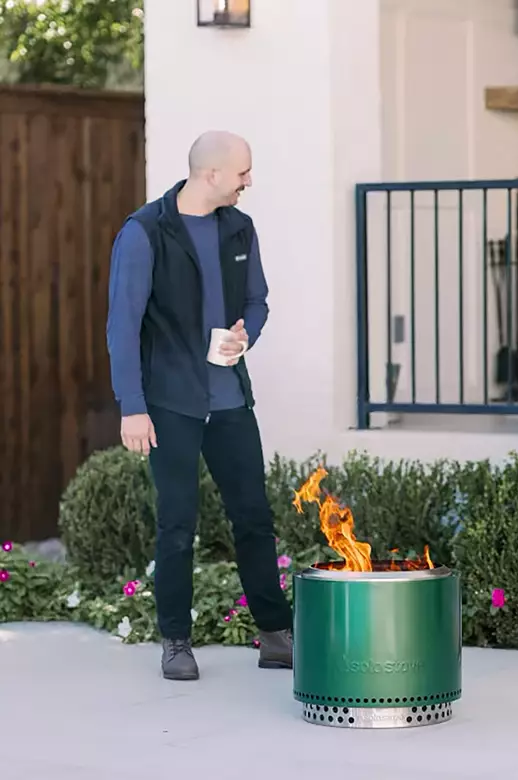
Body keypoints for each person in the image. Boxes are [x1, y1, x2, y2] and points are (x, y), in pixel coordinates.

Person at [106, 130, 293, 681]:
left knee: (254, 518)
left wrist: (245, 334)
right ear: (211, 174)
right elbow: (123, 325)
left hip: (230, 397)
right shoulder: (145, 232)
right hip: (171, 402)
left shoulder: (240, 228)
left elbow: (257, 300)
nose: (248, 181)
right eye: (242, 172)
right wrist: (132, 406)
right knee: (177, 523)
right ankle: (176, 642)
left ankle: (276, 636)